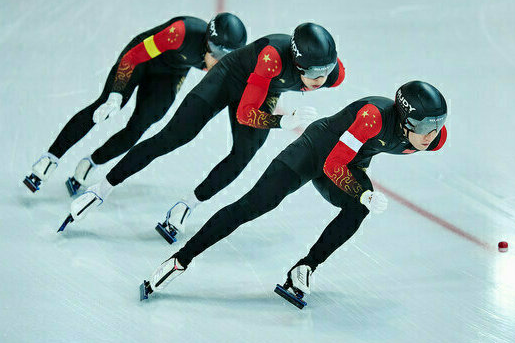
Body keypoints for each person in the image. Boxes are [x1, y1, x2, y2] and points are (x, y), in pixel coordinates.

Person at [141, 80, 448, 305]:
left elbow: (347, 160)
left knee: (357, 209)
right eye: (426, 128)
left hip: (347, 162)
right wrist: (363, 192)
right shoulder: (373, 117)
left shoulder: (432, 138)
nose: (432, 136)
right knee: (255, 204)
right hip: (313, 153)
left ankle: (306, 266)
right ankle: (180, 260)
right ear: (406, 121)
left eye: (438, 126)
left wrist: (361, 194)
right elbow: (331, 165)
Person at [66, 22, 347, 242]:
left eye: (327, 71)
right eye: (312, 74)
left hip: (265, 89)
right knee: (173, 137)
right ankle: (101, 189)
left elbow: (317, 80)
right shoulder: (272, 57)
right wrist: (279, 122)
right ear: (297, 65)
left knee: (242, 156)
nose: (319, 80)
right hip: (228, 79)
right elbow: (244, 114)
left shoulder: (331, 74)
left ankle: (187, 206)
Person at [24, 13, 247, 196]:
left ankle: (92, 162)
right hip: (140, 60)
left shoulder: (223, 59)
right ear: (208, 41)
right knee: (102, 108)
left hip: (169, 76)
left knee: (138, 129)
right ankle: (51, 158)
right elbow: (134, 57)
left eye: (226, 57)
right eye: (216, 53)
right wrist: (116, 94)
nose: (219, 61)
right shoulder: (180, 33)